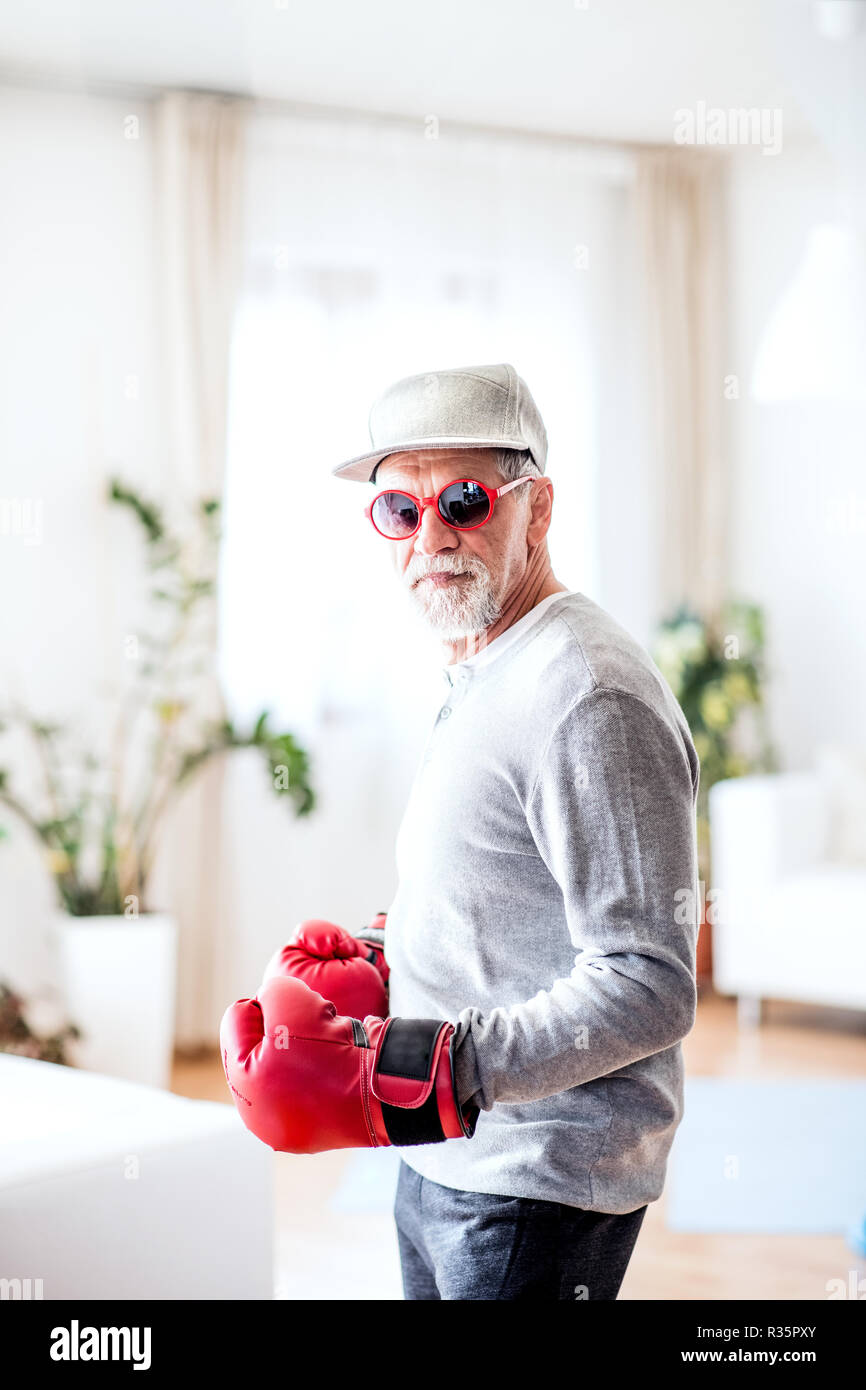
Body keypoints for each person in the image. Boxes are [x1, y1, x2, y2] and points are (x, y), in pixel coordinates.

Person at [325, 362, 701, 1301]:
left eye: (463, 499)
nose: (432, 538)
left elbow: (649, 981)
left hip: (533, 1181)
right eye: (400, 512)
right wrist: (384, 952)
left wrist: (449, 1062)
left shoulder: (586, 693)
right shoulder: (489, 662)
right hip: (448, 1149)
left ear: (536, 510)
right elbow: (511, 887)